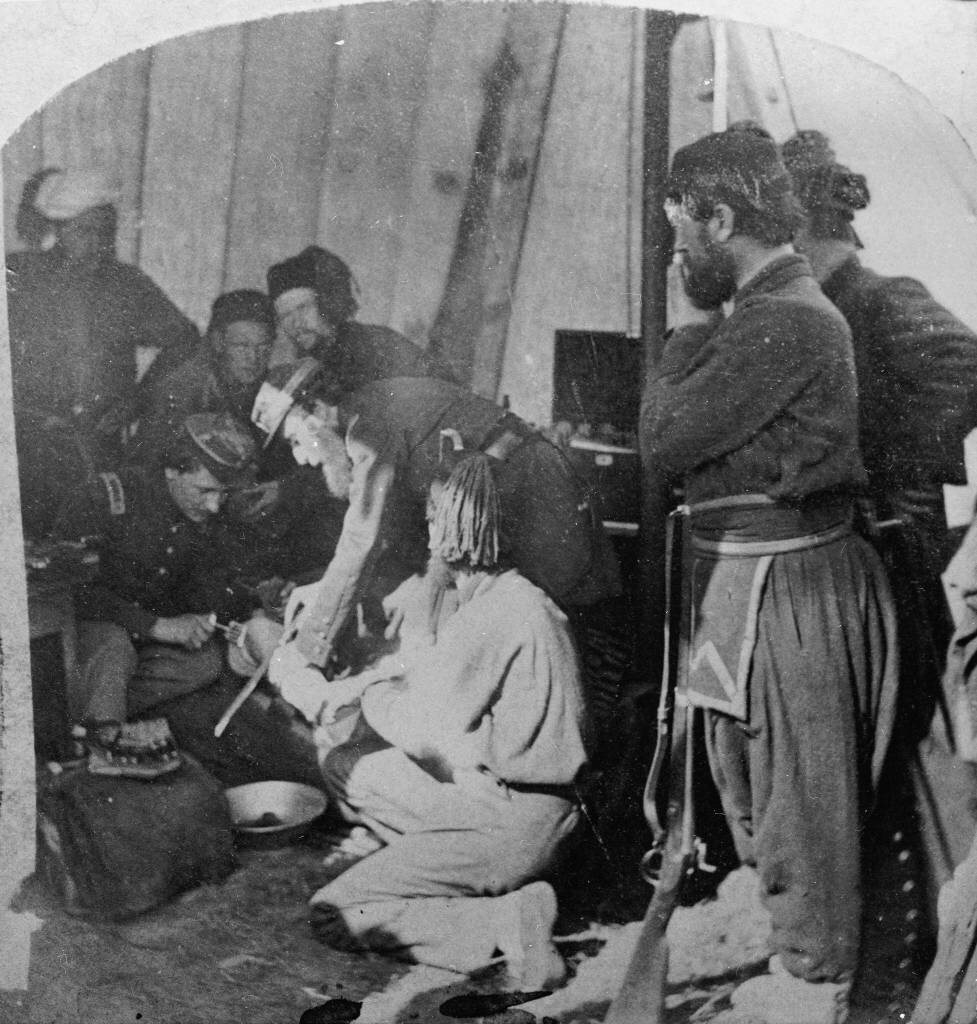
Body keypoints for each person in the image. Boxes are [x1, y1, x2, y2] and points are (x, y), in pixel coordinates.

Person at [639, 127, 899, 1021]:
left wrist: (679, 329)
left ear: (719, 216)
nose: (679, 258)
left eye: (683, 238)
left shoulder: (786, 318)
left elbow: (664, 444)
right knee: (753, 793)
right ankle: (792, 958)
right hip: (742, 585)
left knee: (801, 817)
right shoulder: (761, 315)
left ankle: (811, 989)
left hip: (787, 590)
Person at [782, 128, 977, 990]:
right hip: (849, 566)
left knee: (915, 763)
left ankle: (935, 955)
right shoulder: (808, 314)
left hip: (898, 563)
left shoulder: (880, 299)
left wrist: (887, 471)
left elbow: (966, 370)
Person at [305, 453, 585, 987]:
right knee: (348, 765)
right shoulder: (521, 597)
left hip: (509, 823)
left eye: (435, 518)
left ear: (454, 527)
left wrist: (367, 693)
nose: (430, 532)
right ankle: (449, 877)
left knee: (336, 910)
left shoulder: (494, 614)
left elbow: (421, 729)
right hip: (534, 806)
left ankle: (503, 922)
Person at [250, 364, 627, 749]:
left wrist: (310, 647)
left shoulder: (366, 428)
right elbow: (395, 535)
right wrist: (324, 593)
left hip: (534, 497)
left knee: (574, 637)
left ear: (314, 412)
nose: (300, 458)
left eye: (296, 440)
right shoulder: (374, 405)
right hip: (521, 489)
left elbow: (363, 538)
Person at [57, 413, 258, 742]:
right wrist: (157, 626)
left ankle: (87, 712)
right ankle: (102, 742)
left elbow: (205, 584)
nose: (214, 506)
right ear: (172, 470)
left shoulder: (198, 514)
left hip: (137, 640)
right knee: (113, 648)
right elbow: (73, 593)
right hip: (87, 632)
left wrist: (251, 603)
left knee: (205, 661)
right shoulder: (107, 497)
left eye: (222, 494)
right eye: (205, 490)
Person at [6, 168, 200, 458]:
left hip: (99, 439)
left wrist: (138, 398)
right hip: (29, 437)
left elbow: (185, 339)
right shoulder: (21, 274)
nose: (97, 243)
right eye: (84, 231)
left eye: (105, 232)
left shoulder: (127, 284)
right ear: (59, 230)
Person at [266, 244, 456, 387]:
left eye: (302, 308)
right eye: (285, 315)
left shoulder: (378, 344)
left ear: (326, 303)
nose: (295, 323)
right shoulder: (302, 370)